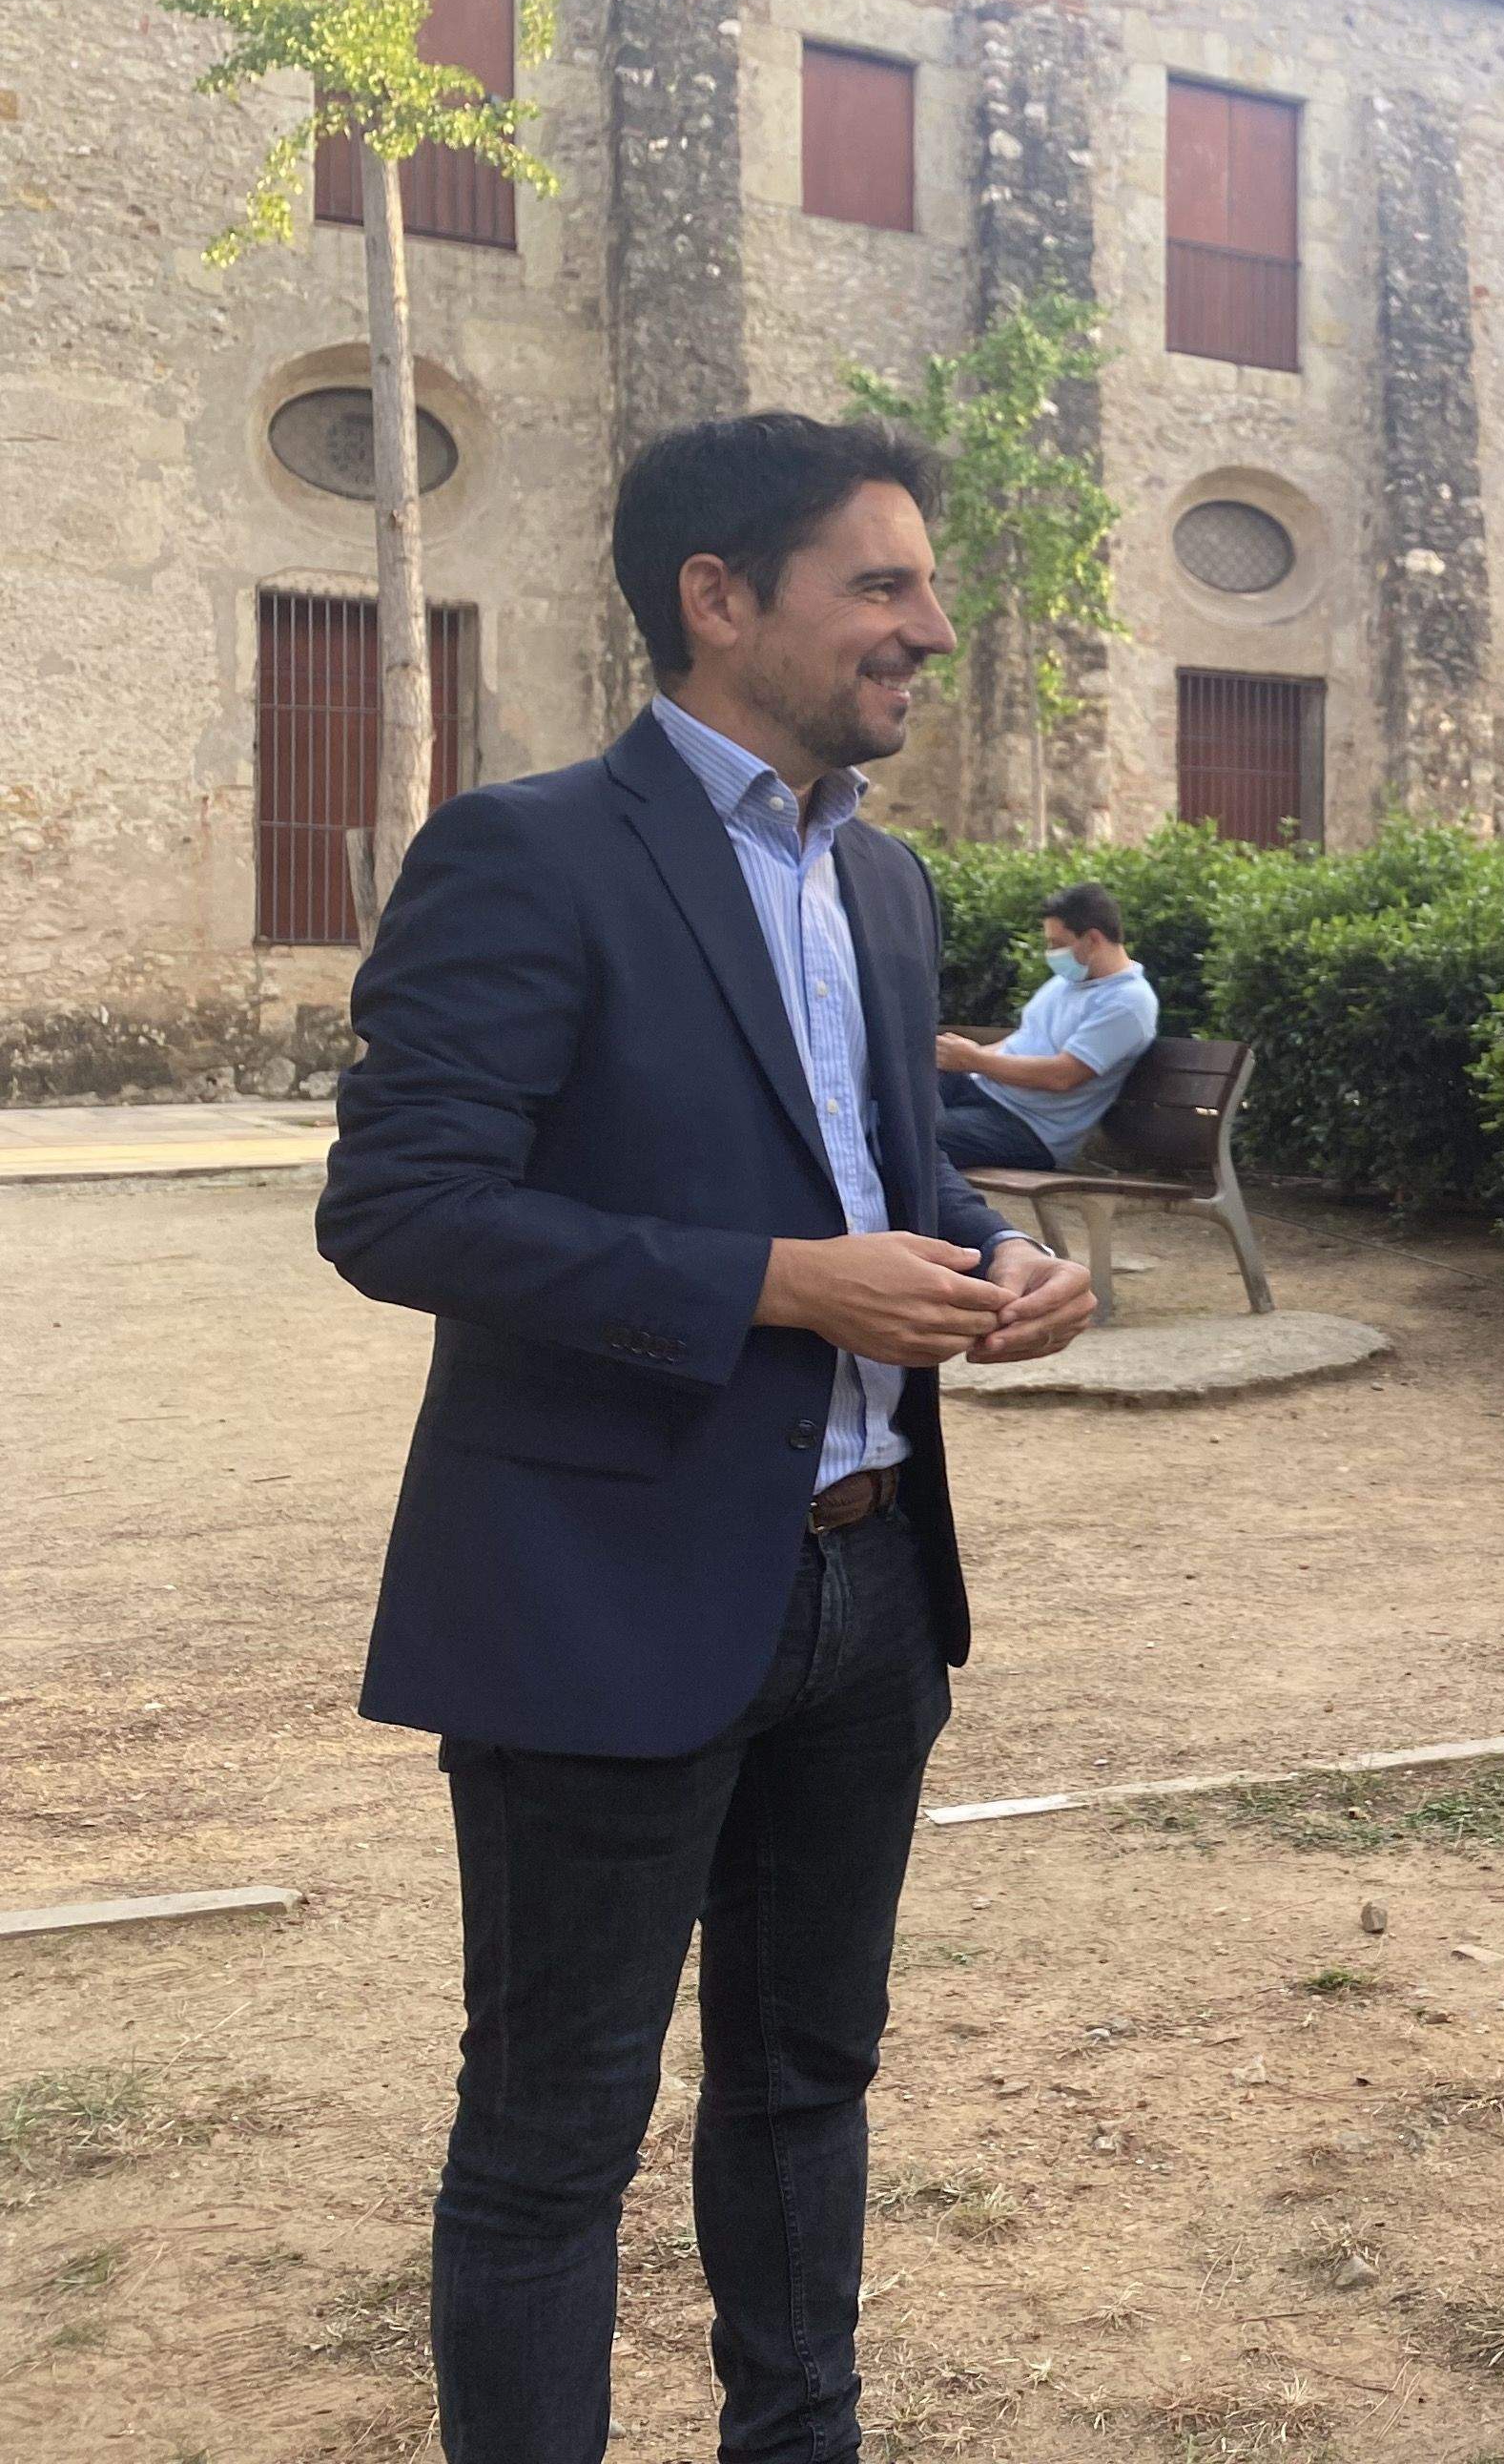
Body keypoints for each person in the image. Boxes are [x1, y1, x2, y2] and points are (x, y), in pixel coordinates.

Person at [318, 410, 1094, 2464]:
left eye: (923, 587)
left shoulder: (888, 880)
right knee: (555, 2133)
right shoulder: (530, 850)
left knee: (807, 2082)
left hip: (864, 1583)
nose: (931, 627)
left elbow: (901, 1170)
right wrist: (776, 1283)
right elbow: (399, 1209)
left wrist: (1000, 1253)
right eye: (883, 585)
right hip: (601, 1594)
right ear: (719, 599)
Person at [933, 880, 1162, 1171]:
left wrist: (975, 1059)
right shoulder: (1067, 983)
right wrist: (961, 1057)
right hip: (984, 1091)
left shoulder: (1127, 1003)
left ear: (1092, 939)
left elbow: (1061, 1076)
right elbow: (1024, 1039)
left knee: (903, 1136)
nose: (1051, 953)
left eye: (1058, 944)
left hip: (1027, 1126)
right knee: (889, 1096)